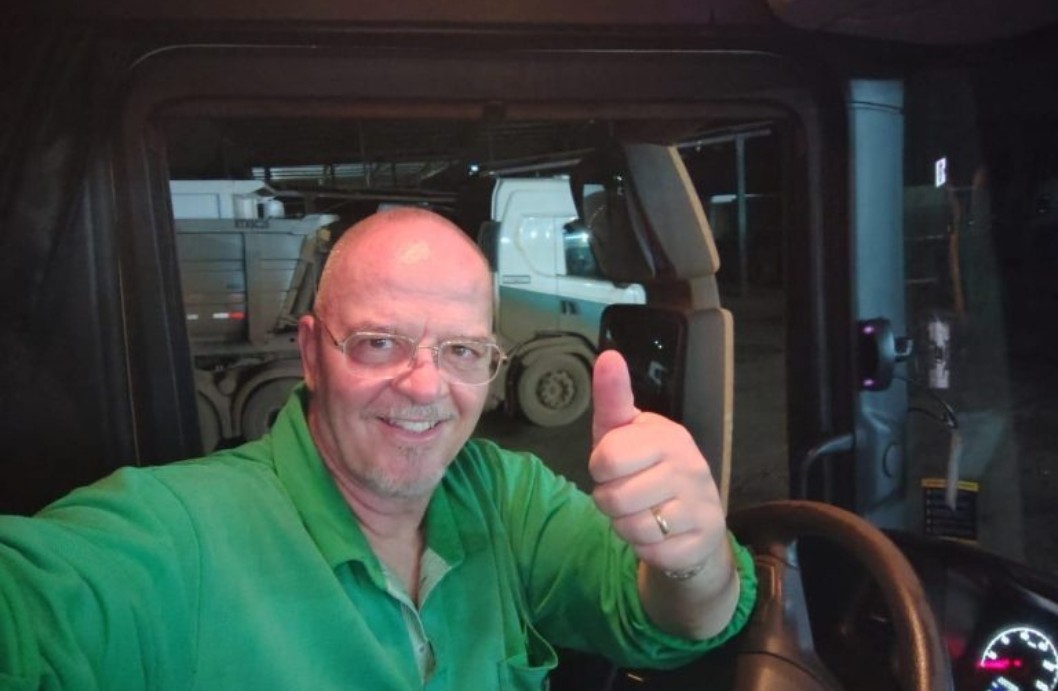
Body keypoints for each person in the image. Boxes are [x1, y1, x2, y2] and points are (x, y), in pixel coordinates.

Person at [0, 207, 756, 689]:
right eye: (380, 342)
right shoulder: (174, 535)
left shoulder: (505, 497)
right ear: (310, 353)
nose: (425, 386)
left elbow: (673, 622)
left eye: (462, 350)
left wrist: (690, 555)